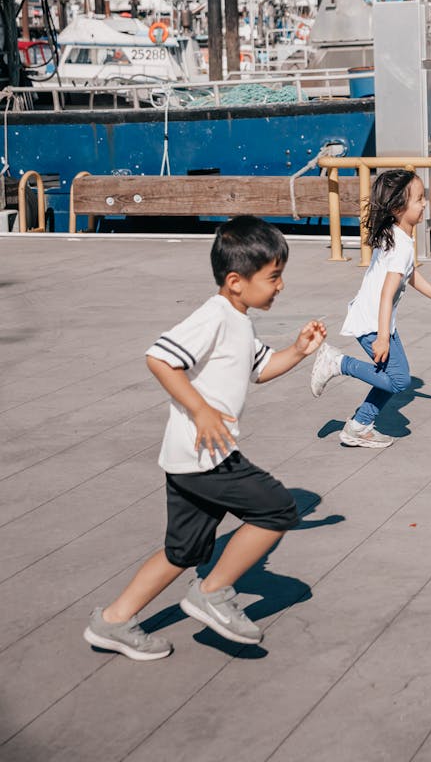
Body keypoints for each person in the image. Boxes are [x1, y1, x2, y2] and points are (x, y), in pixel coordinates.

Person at [83, 215, 326, 661]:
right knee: (277, 508)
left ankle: (113, 622)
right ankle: (211, 593)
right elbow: (159, 359)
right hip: (207, 455)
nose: (280, 286)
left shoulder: (239, 319)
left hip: (192, 458)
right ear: (236, 281)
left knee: (183, 550)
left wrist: (297, 351)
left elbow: (259, 369)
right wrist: (200, 409)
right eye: (274, 277)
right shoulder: (213, 315)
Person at [310, 169, 431, 448]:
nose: (424, 203)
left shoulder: (397, 235)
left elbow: (408, 274)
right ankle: (338, 363)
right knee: (399, 380)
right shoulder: (400, 244)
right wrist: (382, 338)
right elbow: (388, 293)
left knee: (391, 377)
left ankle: (359, 426)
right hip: (374, 321)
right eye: (419, 199)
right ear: (398, 208)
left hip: (376, 319)